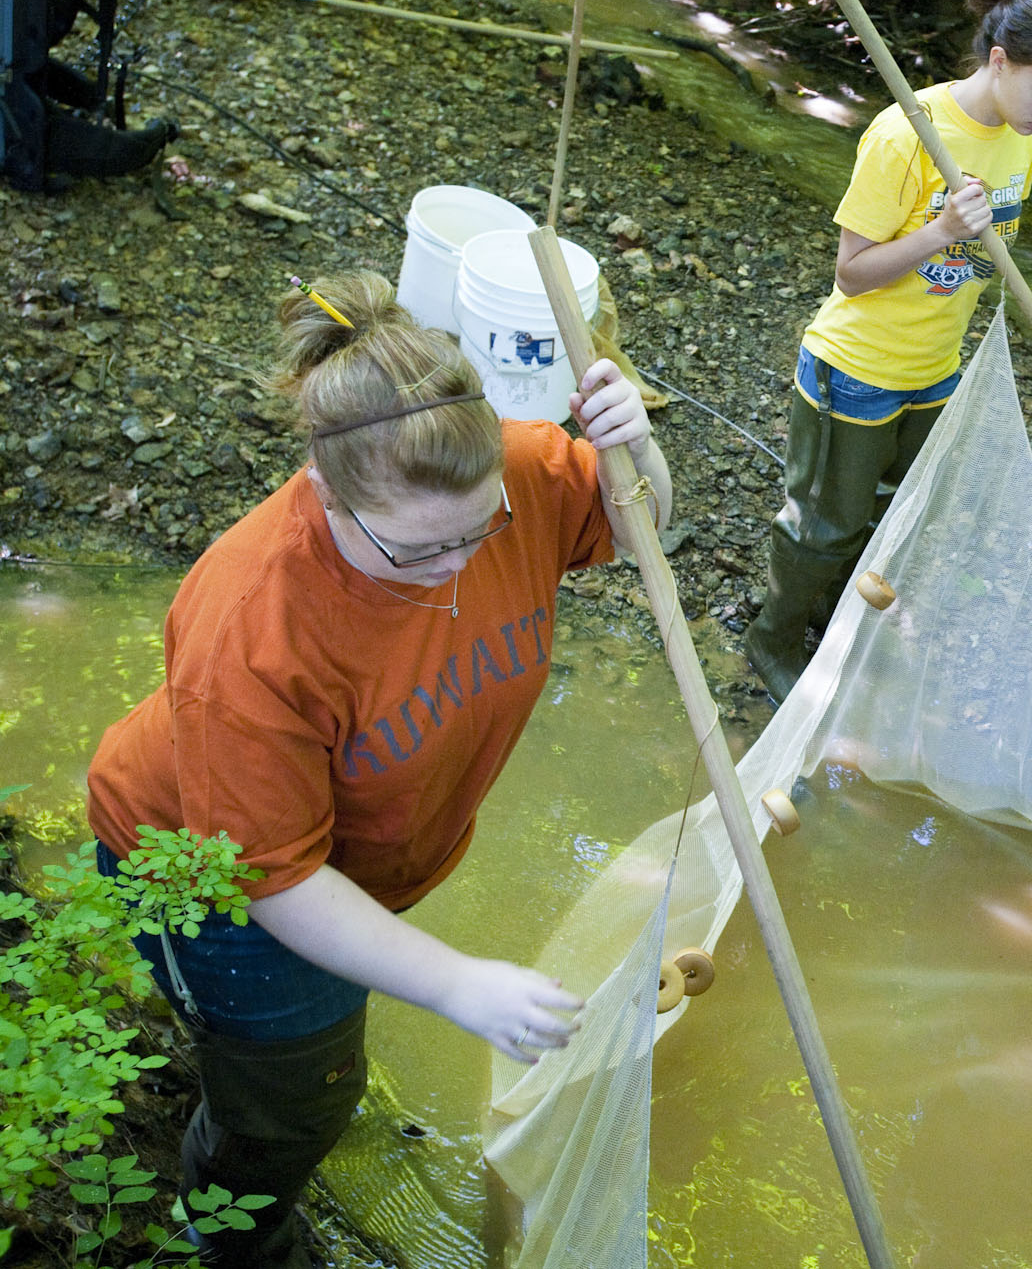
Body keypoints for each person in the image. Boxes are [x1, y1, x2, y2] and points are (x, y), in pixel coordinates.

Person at [85, 270, 672, 1269]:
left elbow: (636, 525)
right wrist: (454, 983)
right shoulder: (251, 625)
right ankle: (229, 1230)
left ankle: (296, 1107)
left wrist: (635, 446)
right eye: (415, 550)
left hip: (338, 863)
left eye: (477, 531)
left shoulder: (509, 476)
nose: (455, 569)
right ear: (322, 487)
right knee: (283, 1102)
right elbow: (275, 878)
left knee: (316, 1067)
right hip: (216, 882)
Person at [741, 0, 1032, 702]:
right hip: (857, 367)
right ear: (999, 61)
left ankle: (834, 621)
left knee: (893, 511)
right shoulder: (906, 135)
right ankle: (771, 635)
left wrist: (971, 250)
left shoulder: (1020, 136)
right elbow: (853, 273)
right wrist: (938, 232)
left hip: (936, 368)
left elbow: (982, 257)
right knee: (824, 524)